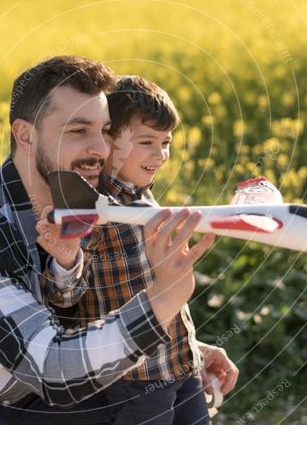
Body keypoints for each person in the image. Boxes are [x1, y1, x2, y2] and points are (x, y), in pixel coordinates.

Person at [0, 55, 222, 424]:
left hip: (18, 393)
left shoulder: (75, 204)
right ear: (26, 135)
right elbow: (55, 370)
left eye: (105, 130)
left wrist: (179, 346)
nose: (100, 149)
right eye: (79, 131)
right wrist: (163, 300)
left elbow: (77, 310)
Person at [40, 76, 234, 424]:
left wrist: (196, 350)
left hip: (180, 368)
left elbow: (163, 294)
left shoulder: (143, 198)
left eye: (166, 142)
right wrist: (66, 259)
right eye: (147, 142)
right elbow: (65, 299)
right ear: (109, 141)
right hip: (133, 383)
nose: (160, 155)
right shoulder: (96, 208)